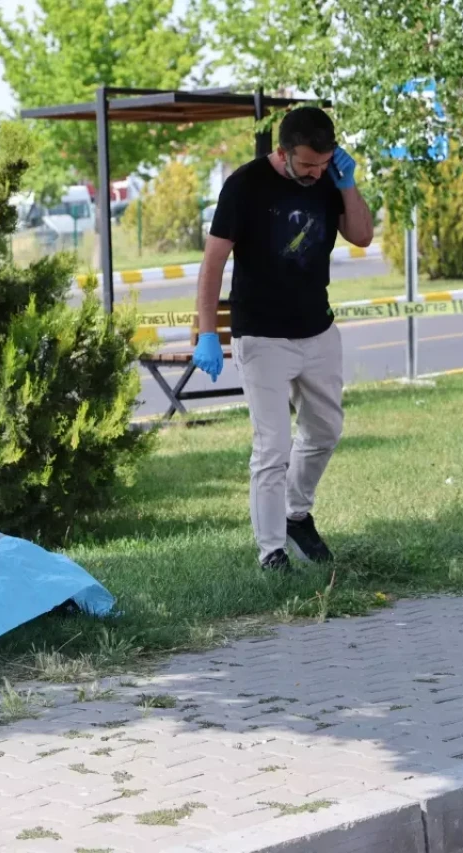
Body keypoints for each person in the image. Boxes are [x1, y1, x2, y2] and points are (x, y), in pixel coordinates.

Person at [192, 106, 374, 571]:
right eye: (308, 164)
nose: (315, 173)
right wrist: (209, 333)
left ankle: (296, 514)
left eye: (323, 163)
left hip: (317, 328)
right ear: (283, 152)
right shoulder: (245, 185)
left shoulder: (331, 180)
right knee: (272, 445)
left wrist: (346, 182)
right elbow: (213, 262)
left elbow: (362, 235)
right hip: (261, 335)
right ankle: (271, 550)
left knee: (326, 431)